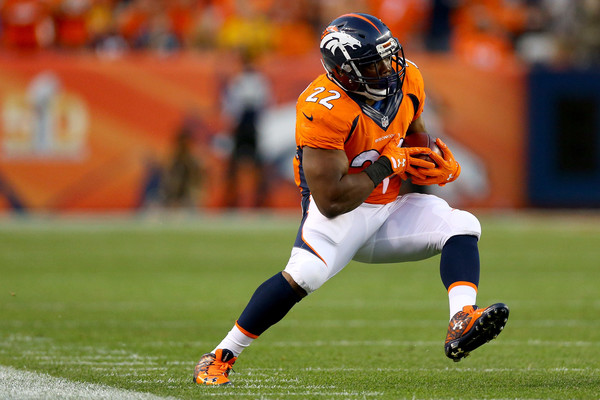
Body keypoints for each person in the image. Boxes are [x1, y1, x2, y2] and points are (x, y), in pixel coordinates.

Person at [193, 12, 509, 386]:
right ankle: (220, 355)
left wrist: (437, 167)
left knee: (463, 225)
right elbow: (331, 200)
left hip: (389, 207)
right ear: (345, 71)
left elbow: (415, 137)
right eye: (374, 64)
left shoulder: (408, 76)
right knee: (305, 274)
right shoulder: (322, 106)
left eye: (388, 57)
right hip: (341, 215)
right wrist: (390, 164)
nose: (389, 69)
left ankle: (461, 320)